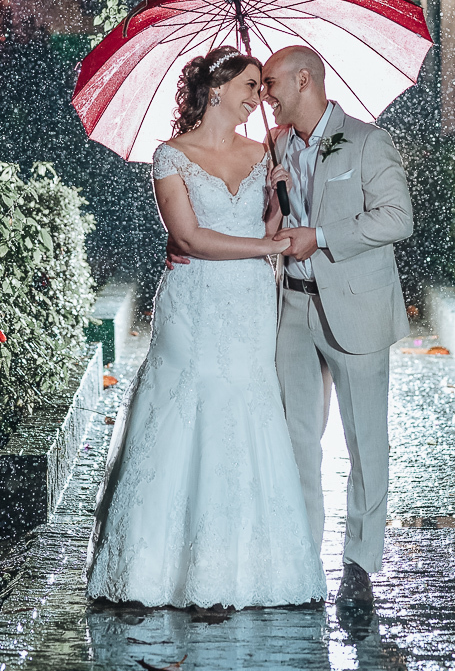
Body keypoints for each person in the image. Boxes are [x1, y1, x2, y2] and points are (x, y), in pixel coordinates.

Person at [86, 46, 326, 609]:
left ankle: (245, 569)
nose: (258, 97)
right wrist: (266, 247)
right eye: (249, 86)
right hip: (194, 302)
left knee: (247, 410)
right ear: (216, 90)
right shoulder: (171, 156)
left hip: (249, 304)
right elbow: (188, 237)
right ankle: (158, 569)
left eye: (261, 87)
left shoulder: (264, 152)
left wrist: (274, 207)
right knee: (185, 407)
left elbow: (266, 228)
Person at [261, 46, 413, 611]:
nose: (265, 96)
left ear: (305, 80)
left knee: (365, 441)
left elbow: (398, 218)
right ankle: (303, 557)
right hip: (292, 307)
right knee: (296, 438)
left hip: (358, 307)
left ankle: (360, 562)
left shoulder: (368, 141)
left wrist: (320, 236)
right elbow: (269, 229)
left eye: (272, 84)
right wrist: (273, 208)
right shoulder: (275, 146)